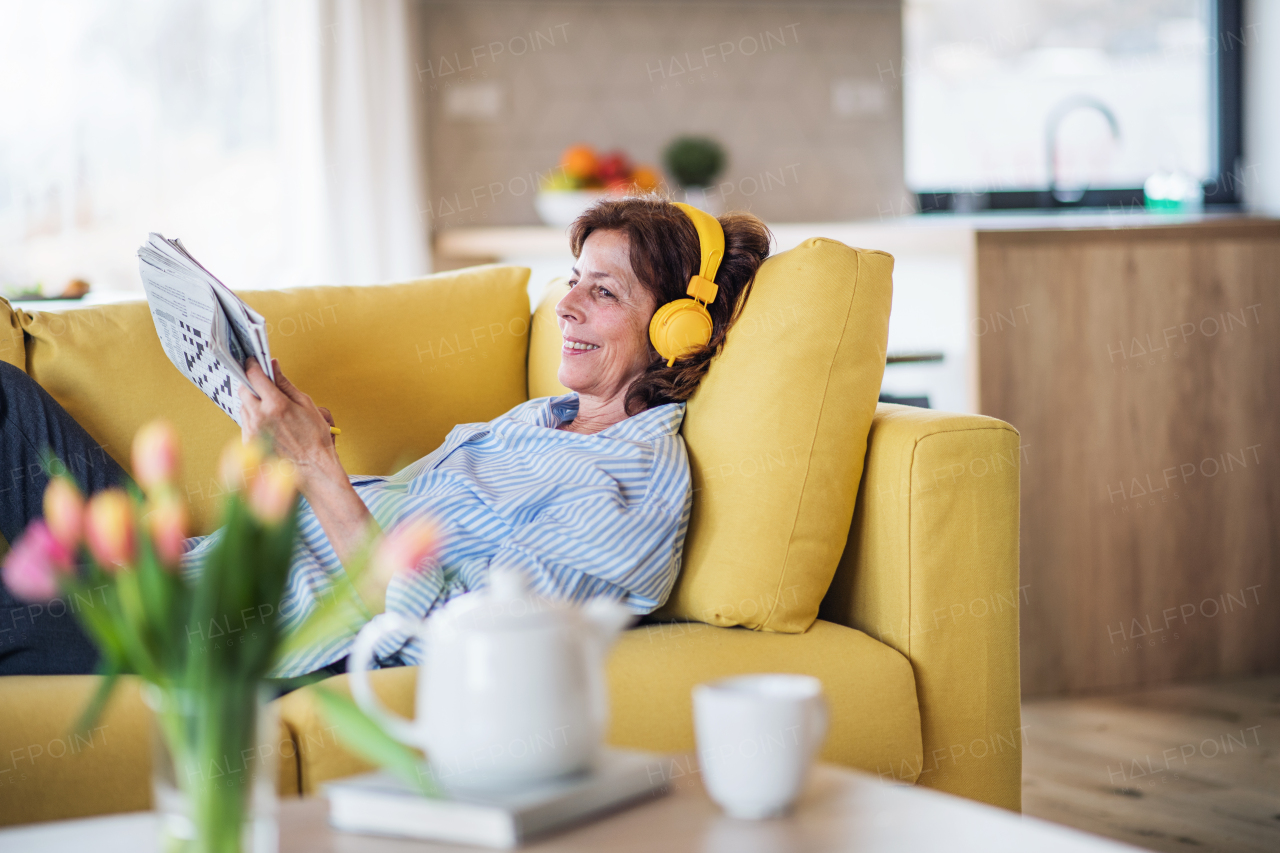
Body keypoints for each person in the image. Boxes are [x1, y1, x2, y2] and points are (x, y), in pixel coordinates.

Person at [0, 197, 771, 678]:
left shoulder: (628, 487)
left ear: (679, 332)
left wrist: (317, 464)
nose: (566, 305)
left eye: (603, 291)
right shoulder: (539, 420)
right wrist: (285, 455)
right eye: (572, 278)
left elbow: (465, 644)